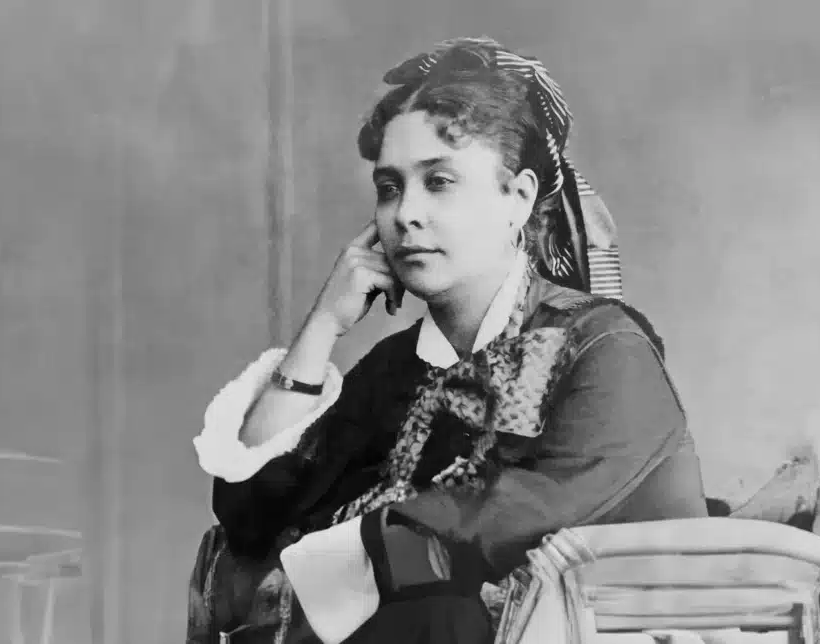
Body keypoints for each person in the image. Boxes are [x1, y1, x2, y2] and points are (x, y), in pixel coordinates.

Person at [189, 37, 708, 644]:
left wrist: (324, 570)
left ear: (518, 198)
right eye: (389, 187)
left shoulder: (603, 347)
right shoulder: (394, 370)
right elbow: (251, 517)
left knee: (440, 614)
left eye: (438, 182)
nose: (405, 213)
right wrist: (322, 327)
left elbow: (515, 520)